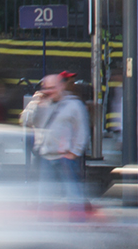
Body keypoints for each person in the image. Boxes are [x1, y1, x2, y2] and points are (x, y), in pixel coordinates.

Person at [21, 71, 89, 216]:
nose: (49, 91)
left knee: (73, 194)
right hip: (46, 156)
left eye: (53, 87)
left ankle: (78, 226)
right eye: (46, 88)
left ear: (61, 87)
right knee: (44, 196)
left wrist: (74, 152)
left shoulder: (74, 105)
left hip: (65, 157)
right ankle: (45, 227)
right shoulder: (41, 105)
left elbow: (82, 130)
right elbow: (25, 121)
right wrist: (35, 104)